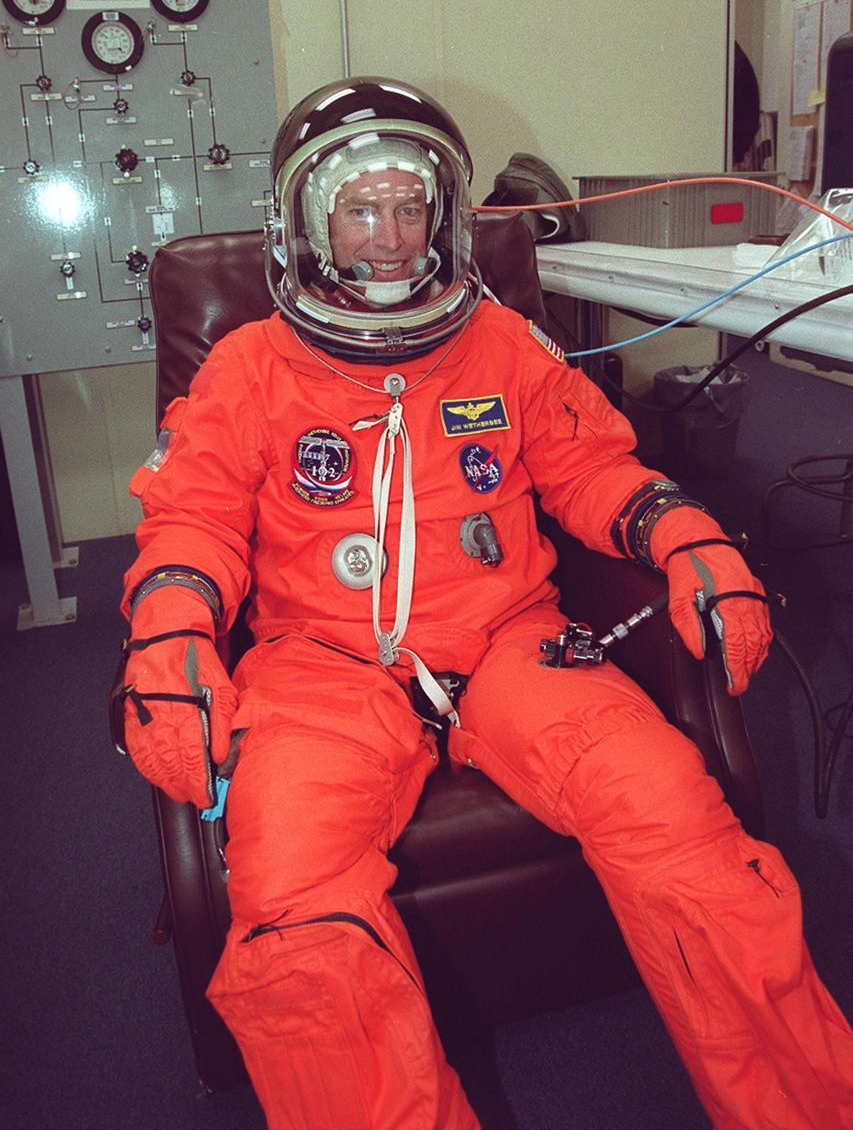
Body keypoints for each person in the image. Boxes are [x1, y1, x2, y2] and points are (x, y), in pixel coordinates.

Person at [119, 77, 853, 1130]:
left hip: (512, 641)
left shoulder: (502, 344)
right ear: (306, 223)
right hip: (321, 664)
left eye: (409, 207)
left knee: (680, 826)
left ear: (444, 219)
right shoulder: (247, 369)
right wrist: (172, 631)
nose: (388, 238)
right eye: (360, 209)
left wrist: (685, 534)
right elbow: (191, 519)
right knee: (298, 918)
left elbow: (592, 467)